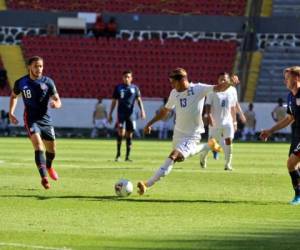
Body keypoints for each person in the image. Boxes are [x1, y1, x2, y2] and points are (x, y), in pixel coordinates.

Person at [137, 68, 239, 195]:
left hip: (192, 135)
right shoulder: (174, 93)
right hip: (178, 133)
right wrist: (149, 123)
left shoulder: (198, 88)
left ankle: (147, 184)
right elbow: (165, 111)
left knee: (173, 156)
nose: (171, 84)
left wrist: (230, 83)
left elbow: (219, 88)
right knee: (178, 158)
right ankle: (207, 145)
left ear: (182, 80)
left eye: (173, 82)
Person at [9, 56, 62, 189]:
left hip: (45, 120)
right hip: (31, 119)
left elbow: (58, 100)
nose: (39, 69)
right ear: (29, 67)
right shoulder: (21, 82)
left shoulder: (48, 82)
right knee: (38, 146)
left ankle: (49, 167)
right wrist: (11, 112)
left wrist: (56, 103)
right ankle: (44, 177)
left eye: (41, 66)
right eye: (36, 66)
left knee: (52, 150)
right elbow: (14, 96)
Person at [260, 66, 300, 205]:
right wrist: (270, 131)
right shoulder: (290, 96)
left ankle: (298, 196)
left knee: (291, 164)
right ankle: (298, 195)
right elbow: (290, 118)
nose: (285, 81)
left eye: (287, 78)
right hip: (296, 135)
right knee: (294, 165)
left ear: (296, 78)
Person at [200, 72, 238, 171]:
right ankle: (203, 156)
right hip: (215, 122)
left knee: (228, 141)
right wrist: (209, 116)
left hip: (228, 121)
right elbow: (207, 105)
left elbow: (233, 107)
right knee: (211, 143)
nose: (223, 81)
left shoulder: (232, 90)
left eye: (225, 79)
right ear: (218, 80)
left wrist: (235, 122)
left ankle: (227, 164)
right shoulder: (212, 91)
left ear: (228, 80)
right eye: (221, 79)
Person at [108, 70, 146, 161]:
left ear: (131, 78)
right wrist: (110, 114)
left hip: (131, 115)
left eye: (128, 77)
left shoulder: (135, 88)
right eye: (125, 77)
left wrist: (142, 111)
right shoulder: (118, 88)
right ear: (122, 78)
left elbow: (139, 100)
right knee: (121, 132)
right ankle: (118, 155)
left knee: (129, 134)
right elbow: (114, 101)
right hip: (121, 114)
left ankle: (127, 157)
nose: (127, 78)